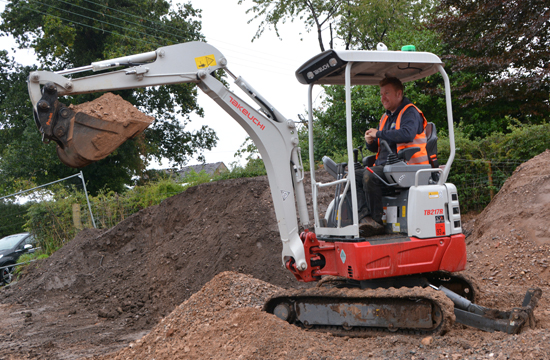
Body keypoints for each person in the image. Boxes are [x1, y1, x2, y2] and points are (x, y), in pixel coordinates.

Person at [357, 76, 429, 235]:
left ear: (399, 94)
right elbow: (379, 145)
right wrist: (370, 141)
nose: (383, 98)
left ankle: (376, 222)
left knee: (370, 176)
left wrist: (380, 134)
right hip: (387, 168)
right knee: (352, 177)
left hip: (407, 168)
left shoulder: (410, 112)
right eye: (381, 94)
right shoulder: (385, 117)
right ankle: (365, 218)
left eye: (387, 93)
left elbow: (407, 134)